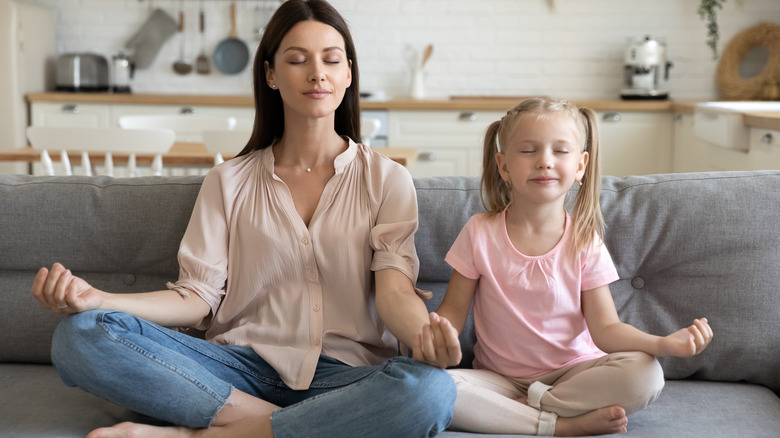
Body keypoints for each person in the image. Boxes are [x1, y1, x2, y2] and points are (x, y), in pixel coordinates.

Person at [29, 1, 461, 437]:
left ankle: (207, 433)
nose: (317, 73)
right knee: (80, 334)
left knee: (431, 392)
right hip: (236, 369)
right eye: (298, 59)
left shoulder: (387, 180)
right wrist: (98, 299)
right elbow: (196, 297)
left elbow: (394, 294)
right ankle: (271, 425)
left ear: (348, 73)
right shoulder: (228, 180)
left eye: (331, 59)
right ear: (271, 74)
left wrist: (425, 335)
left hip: (344, 376)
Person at [420, 98, 714, 436]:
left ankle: (520, 414)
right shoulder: (478, 232)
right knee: (434, 387)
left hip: (575, 375)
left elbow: (606, 330)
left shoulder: (585, 240)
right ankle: (557, 426)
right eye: (528, 151)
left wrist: (663, 344)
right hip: (498, 379)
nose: (544, 161)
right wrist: (428, 337)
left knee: (645, 374)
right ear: (504, 167)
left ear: (580, 166)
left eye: (560, 151)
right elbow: (452, 314)